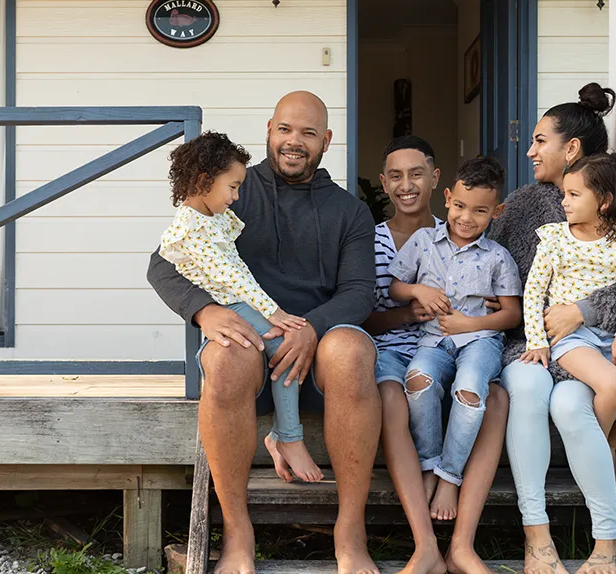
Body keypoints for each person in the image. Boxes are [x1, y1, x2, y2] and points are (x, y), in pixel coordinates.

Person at [148, 91, 382, 574]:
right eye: (286, 130)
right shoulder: (232, 188)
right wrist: (204, 311)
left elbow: (360, 293)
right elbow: (163, 264)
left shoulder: (350, 211)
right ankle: (237, 532)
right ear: (270, 130)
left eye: (308, 133)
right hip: (251, 348)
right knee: (226, 357)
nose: (294, 142)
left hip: (318, 353)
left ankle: (350, 531)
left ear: (326, 141)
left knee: (353, 351)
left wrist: (311, 329)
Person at [487, 83, 616, 574]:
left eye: (540, 140)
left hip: (598, 346)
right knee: (526, 386)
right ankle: (537, 537)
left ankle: (607, 540)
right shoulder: (522, 207)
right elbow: (494, 269)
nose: (529, 150)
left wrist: (583, 311)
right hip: (530, 344)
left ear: (571, 148)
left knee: (572, 403)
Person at [362, 136, 512, 574]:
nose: (406, 185)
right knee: (395, 394)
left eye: (416, 174)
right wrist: (413, 307)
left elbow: (508, 310)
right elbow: (366, 317)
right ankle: (425, 545)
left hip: (462, 351)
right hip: (401, 351)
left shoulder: (486, 247)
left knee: (496, 399)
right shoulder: (370, 240)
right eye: (395, 176)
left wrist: (480, 320)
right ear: (384, 183)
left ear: (436, 180)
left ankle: (462, 543)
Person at [158, 131, 323, 483]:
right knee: (286, 347)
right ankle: (288, 437)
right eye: (232, 187)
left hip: (242, 298)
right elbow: (234, 278)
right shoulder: (190, 228)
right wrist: (274, 312)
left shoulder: (212, 216)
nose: (236, 196)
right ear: (204, 181)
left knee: (287, 347)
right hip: (231, 303)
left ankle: (283, 435)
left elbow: (237, 263)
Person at [388, 157, 522, 521]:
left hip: (480, 343)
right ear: (447, 197)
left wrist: (469, 325)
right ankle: (429, 464)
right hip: (432, 341)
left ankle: (449, 475)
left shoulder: (498, 257)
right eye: (460, 206)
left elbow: (512, 314)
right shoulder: (423, 241)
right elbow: (395, 287)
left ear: (497, 211)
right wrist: (417, 290)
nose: (467, 217)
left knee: (468, 391)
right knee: (417, 380)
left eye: (480, 210)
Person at [520, 153, 616, 463]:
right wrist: (536, 340)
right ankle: (597, 461)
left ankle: (604, 445)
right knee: (614, 386)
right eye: (565, 194)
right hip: (571, 340)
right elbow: (533, 292)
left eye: (574, 195)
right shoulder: (555, 238)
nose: (565, 202)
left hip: (611, 338)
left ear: (604, 201)